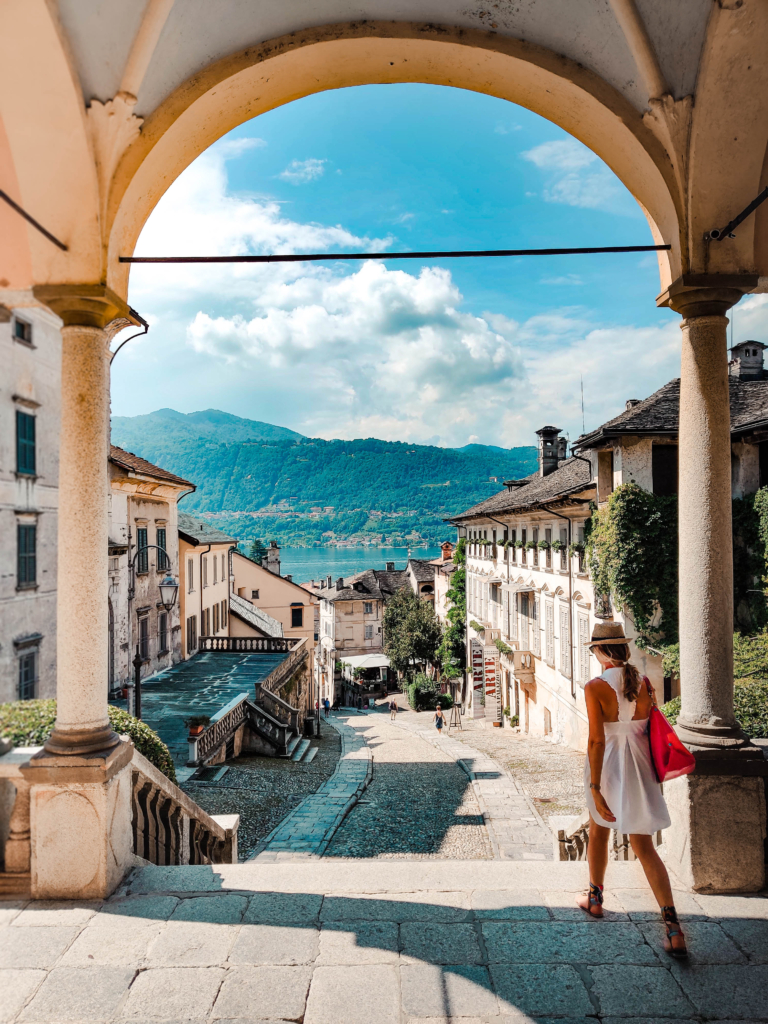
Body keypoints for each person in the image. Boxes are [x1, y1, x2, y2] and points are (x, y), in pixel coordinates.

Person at [579, 622, 687, 959]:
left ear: (601, 651)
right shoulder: (643, 682)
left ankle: (595, 899)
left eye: (594, 649)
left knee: (599, 829)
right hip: (639, 765)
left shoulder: (595, 686)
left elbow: (597, 739)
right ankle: (672, 926)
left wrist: (596, 787)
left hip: (608, 763)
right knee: (643, 844)